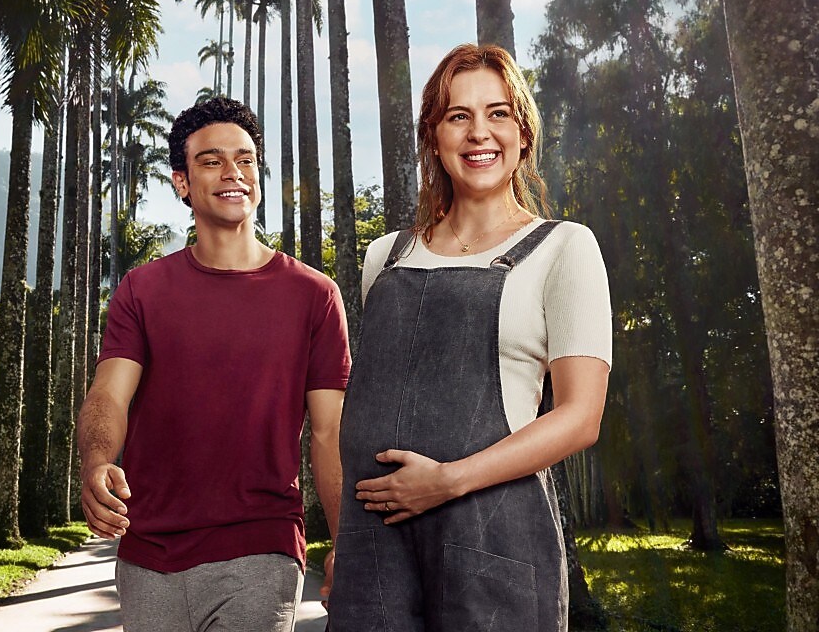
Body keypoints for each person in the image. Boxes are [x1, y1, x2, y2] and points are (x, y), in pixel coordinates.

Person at [326, 44, 611, 632]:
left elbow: (581, 417)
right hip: (375, 552)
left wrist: (446, 481)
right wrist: (344, 544)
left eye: (499, 113)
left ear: (523, 133)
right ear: (433, 137)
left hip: (494, 543)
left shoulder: (564, 247)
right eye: (458, 116)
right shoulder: (386, 257)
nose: (479, 131)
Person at [77, 97, 350, 632]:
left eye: (246, 159)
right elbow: (109, 393)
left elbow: (330, 430)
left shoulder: (314, 295)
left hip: (260, 546)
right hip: (148, 553)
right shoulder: (143, 289)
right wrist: (95, 462)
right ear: (182, 182)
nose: (234, 173)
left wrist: (347, 545)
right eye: (212, 161)